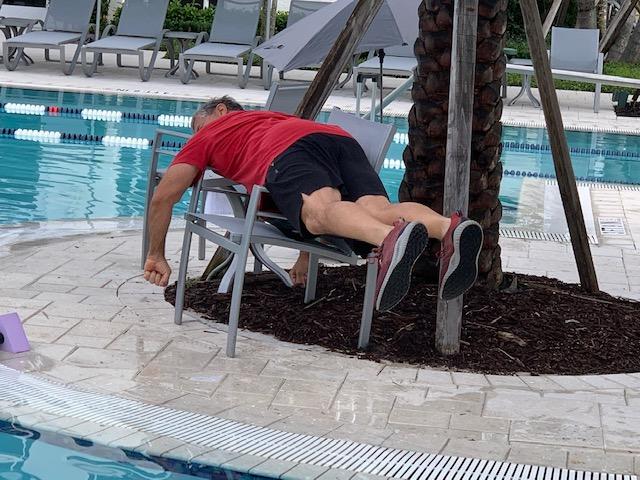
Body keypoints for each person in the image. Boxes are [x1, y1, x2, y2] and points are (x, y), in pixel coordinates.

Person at [143, 96, 484, 311]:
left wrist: (156, 253)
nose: (196, 133)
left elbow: (163, 197)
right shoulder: (270, 116)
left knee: (319, 213)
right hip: (336, 139)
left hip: (285, 150)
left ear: (221, 110)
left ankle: (388, 240)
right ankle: (449, 227)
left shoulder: (210, 134)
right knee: (377, 210)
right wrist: (305, 256)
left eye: (197, 126)